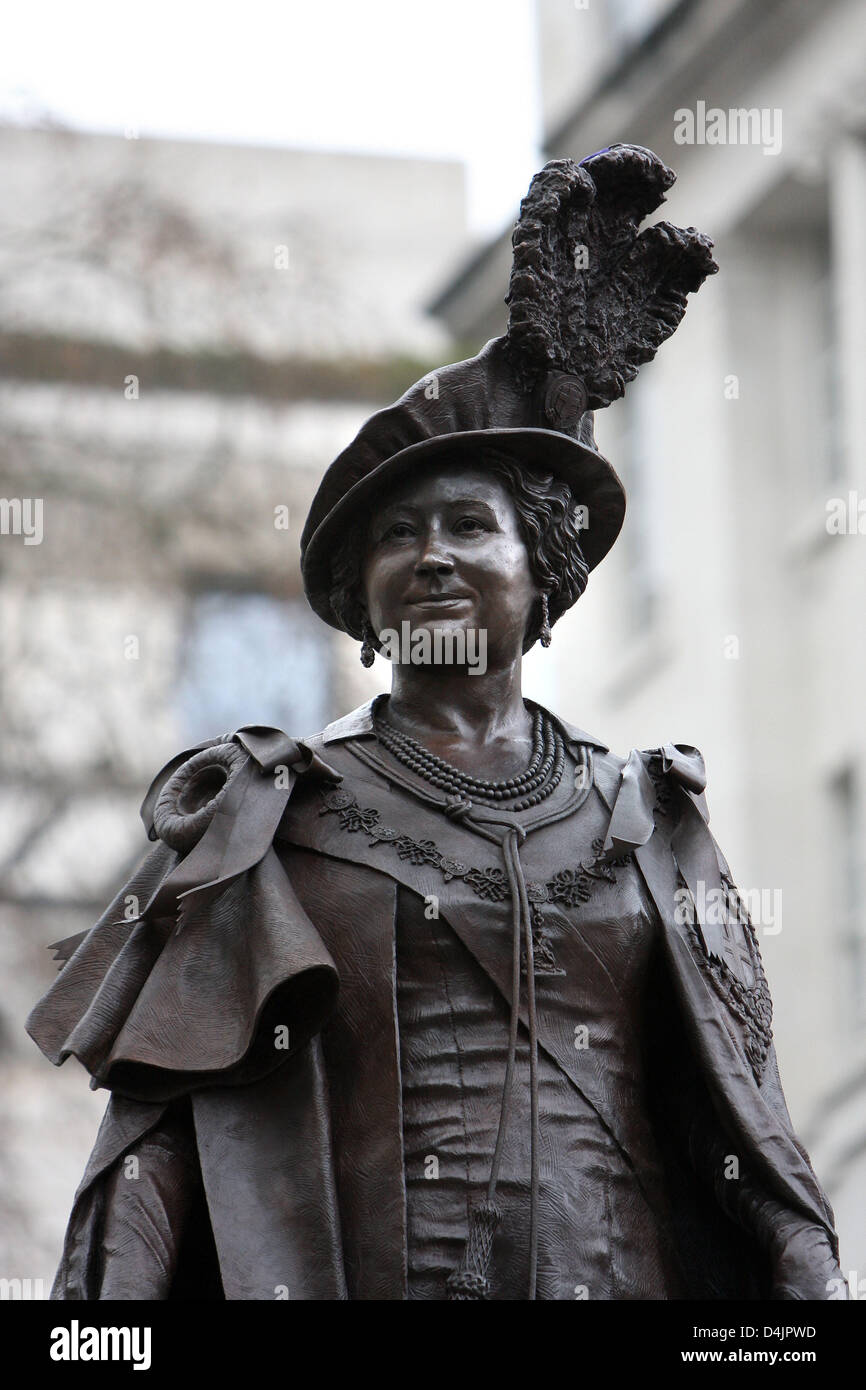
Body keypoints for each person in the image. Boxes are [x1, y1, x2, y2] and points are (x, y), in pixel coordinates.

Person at [27, 145, 845, 1300]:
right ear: (360, 598)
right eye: (397, 537)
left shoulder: (650, 817)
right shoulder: (270, 814)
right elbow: (154, 1152)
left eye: (469, 524)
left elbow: (749, 1133)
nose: (432, 557)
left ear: (542, 569)